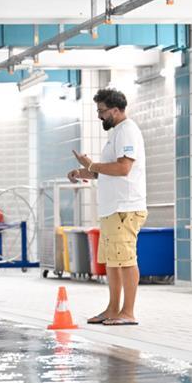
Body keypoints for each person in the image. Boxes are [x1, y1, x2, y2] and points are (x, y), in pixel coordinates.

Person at [67, 88, 147, 326]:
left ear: (115, 110)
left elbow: (123, 168)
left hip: (125, 207)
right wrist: (83, 172)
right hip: (113, 209)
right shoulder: (117, 133)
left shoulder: (128, 131)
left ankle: (128, 312)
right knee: (113, 261)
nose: (100, 116)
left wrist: (92, 164)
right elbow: (109, 171)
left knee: (126, 260)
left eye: (102, 111)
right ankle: (113, 309)